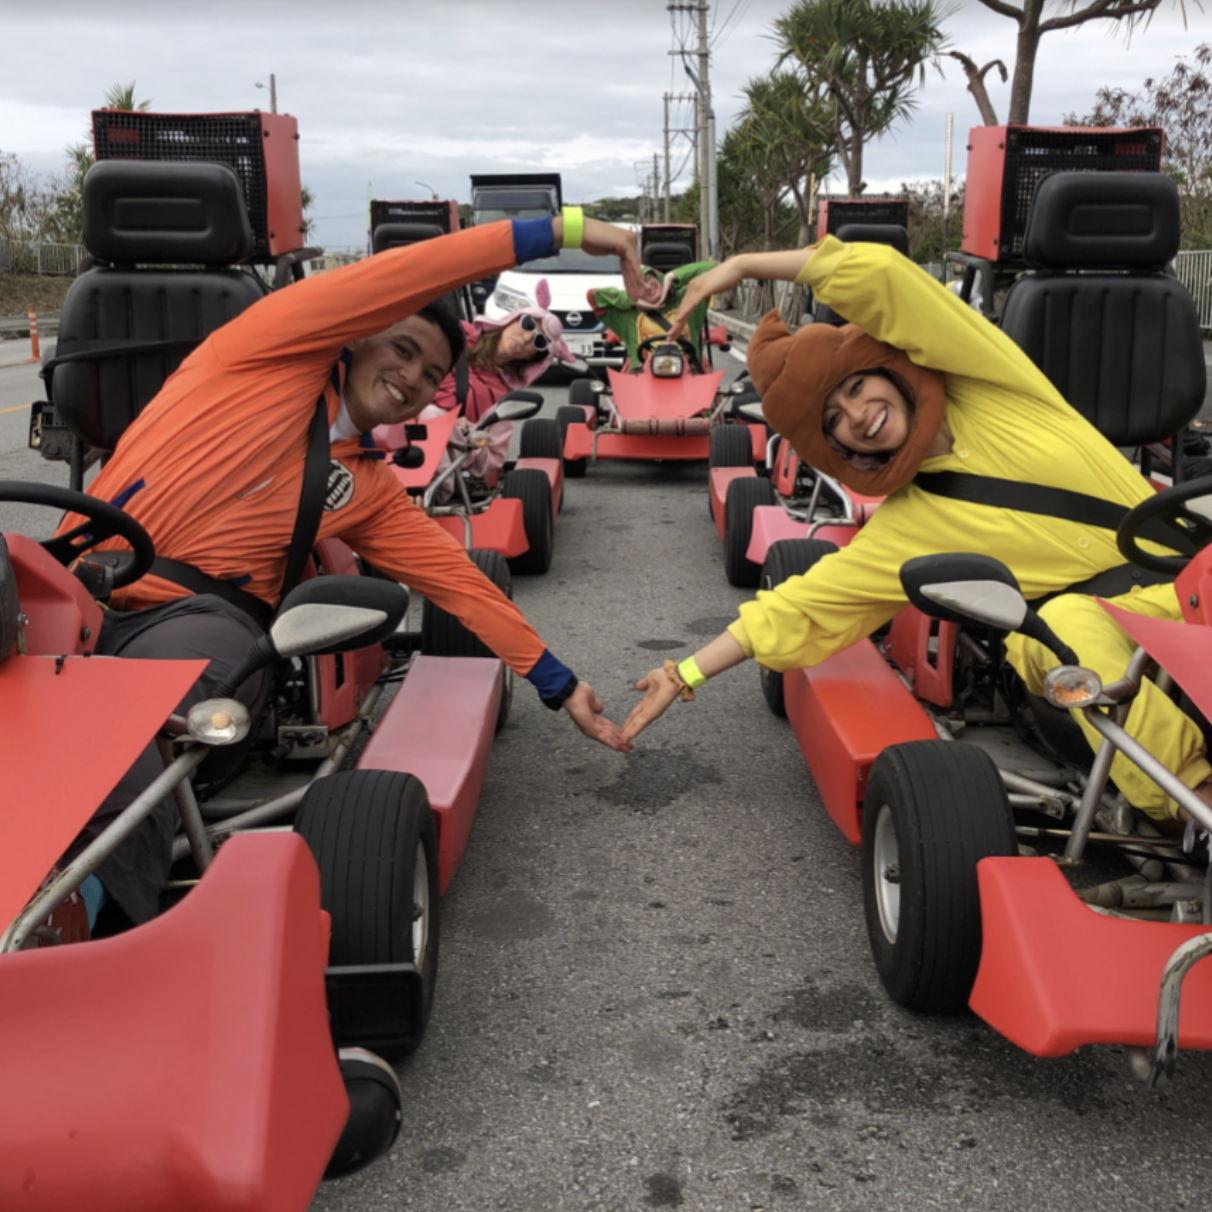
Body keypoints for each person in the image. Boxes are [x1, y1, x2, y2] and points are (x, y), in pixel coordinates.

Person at [57, 208, 640, 927]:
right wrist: (571, 231)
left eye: (431, 375)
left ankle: (83, 920)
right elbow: (420, 272)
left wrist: (561, 684)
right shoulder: (263, 348)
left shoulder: (367, 490)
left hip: (192, 622)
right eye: (401, 350)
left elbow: (460, 584)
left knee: (121, 724)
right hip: (68, 586)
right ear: (358, 334)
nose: (411, 379)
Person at [620, 234, 1208, 825]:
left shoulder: (990, 385)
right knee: (1056, 629)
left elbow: (885, 280)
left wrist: (744, 261)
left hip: (1192, 579)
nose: (858, 415)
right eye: (835, 421)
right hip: (1105, 634)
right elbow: (800, 609)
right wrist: (684, 672)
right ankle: (1198, 804)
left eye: (855, 388)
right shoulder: (906, 530)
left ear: (884, 369)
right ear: (833, 446)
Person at [382, 278, 573, 501]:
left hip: (447, 460)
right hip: (395, 424)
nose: (527, 338)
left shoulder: (503, 397)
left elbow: (493, 463)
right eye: (528, 325)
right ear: (512, 320)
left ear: (534, 357)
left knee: (431, 415)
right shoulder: (456, 337)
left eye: (538, 342)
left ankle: (431, 495)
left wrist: (468, 433)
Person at [588, 258, 715, 369]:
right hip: (641, 380)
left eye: (648, 278)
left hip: (689, 377)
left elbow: (715, 269)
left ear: (657, 277)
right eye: (640, 286)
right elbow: (594, 296)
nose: (647, 287)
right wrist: (632, 300)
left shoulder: (687, 299)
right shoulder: (629, 315)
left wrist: (672, 276)